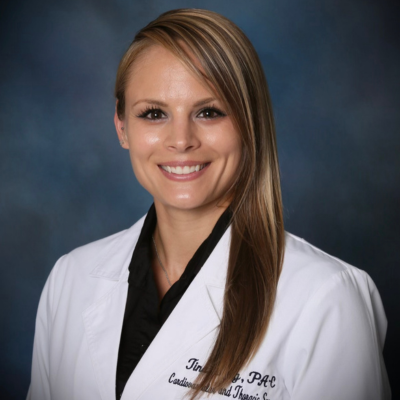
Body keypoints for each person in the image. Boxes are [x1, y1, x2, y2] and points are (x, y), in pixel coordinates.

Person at [27, 8, 391, 400]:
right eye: (153, 113)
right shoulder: (70, 279)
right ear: (122, 127)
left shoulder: (327, 296)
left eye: (208, 112)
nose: (181, 140)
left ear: (249, 125)